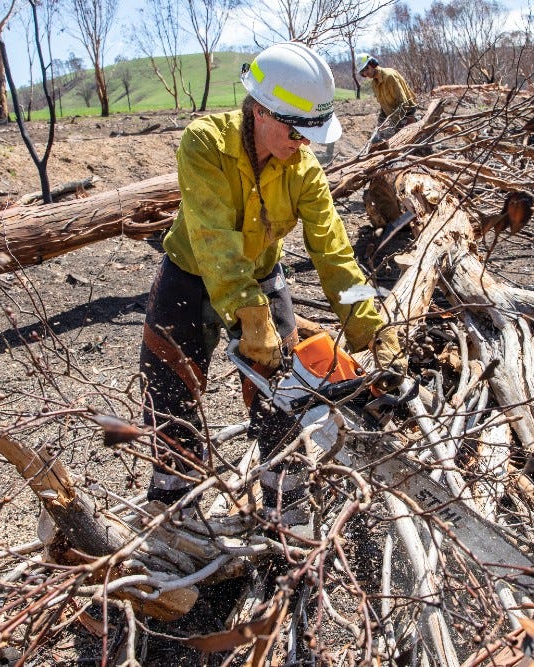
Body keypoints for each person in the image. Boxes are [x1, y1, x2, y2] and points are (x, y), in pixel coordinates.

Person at [139, 42, 405, 523]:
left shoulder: (303, 170)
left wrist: (372, 323)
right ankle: (173, 513)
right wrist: (249, 313)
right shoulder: (205, 144)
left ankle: (287, 506)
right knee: (170, 394)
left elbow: (335, 255)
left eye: (311, 135)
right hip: (190, 274)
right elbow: (215, 240)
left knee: (284, 397)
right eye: (296, 130)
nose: (303, 144)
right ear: (260, 109)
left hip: (263, 276)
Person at [354, 53, 418, 144]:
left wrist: (393, 125)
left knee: (397, 140)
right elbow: (383, 105)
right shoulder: (374, 84)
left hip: (407, 112)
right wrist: (380, 123)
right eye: (362, 72)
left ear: (372, 64)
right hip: (395, 116)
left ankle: (415, 122)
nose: (365, 73)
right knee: (377, 139)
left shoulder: (389, 77)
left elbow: (404, 103)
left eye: (366, 69)